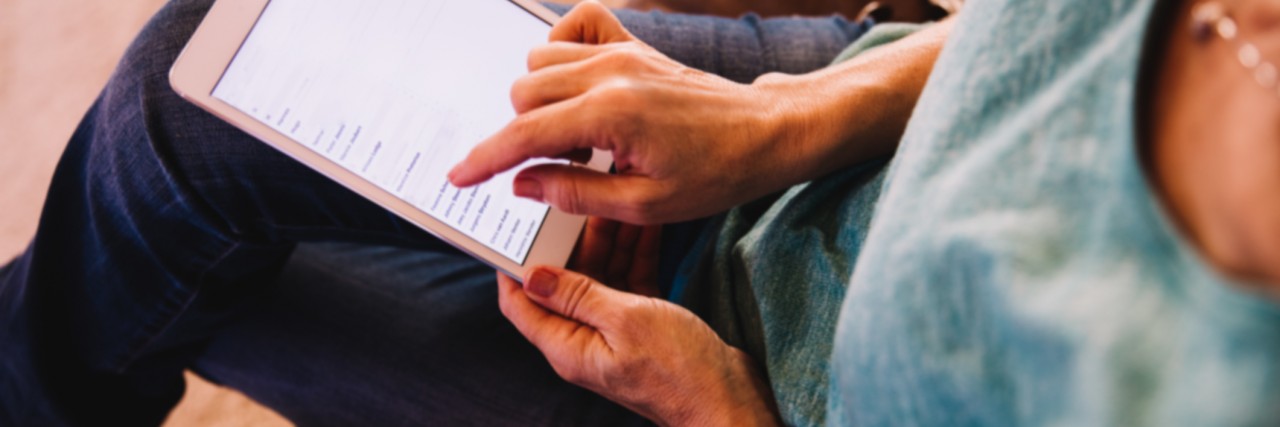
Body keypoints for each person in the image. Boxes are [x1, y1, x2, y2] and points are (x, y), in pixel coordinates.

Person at [4, 0, 1280, 427]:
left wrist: (716, 405)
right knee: (200, 96)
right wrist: (777, 116)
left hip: (748, 390)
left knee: (211, 289)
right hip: (829, 134)